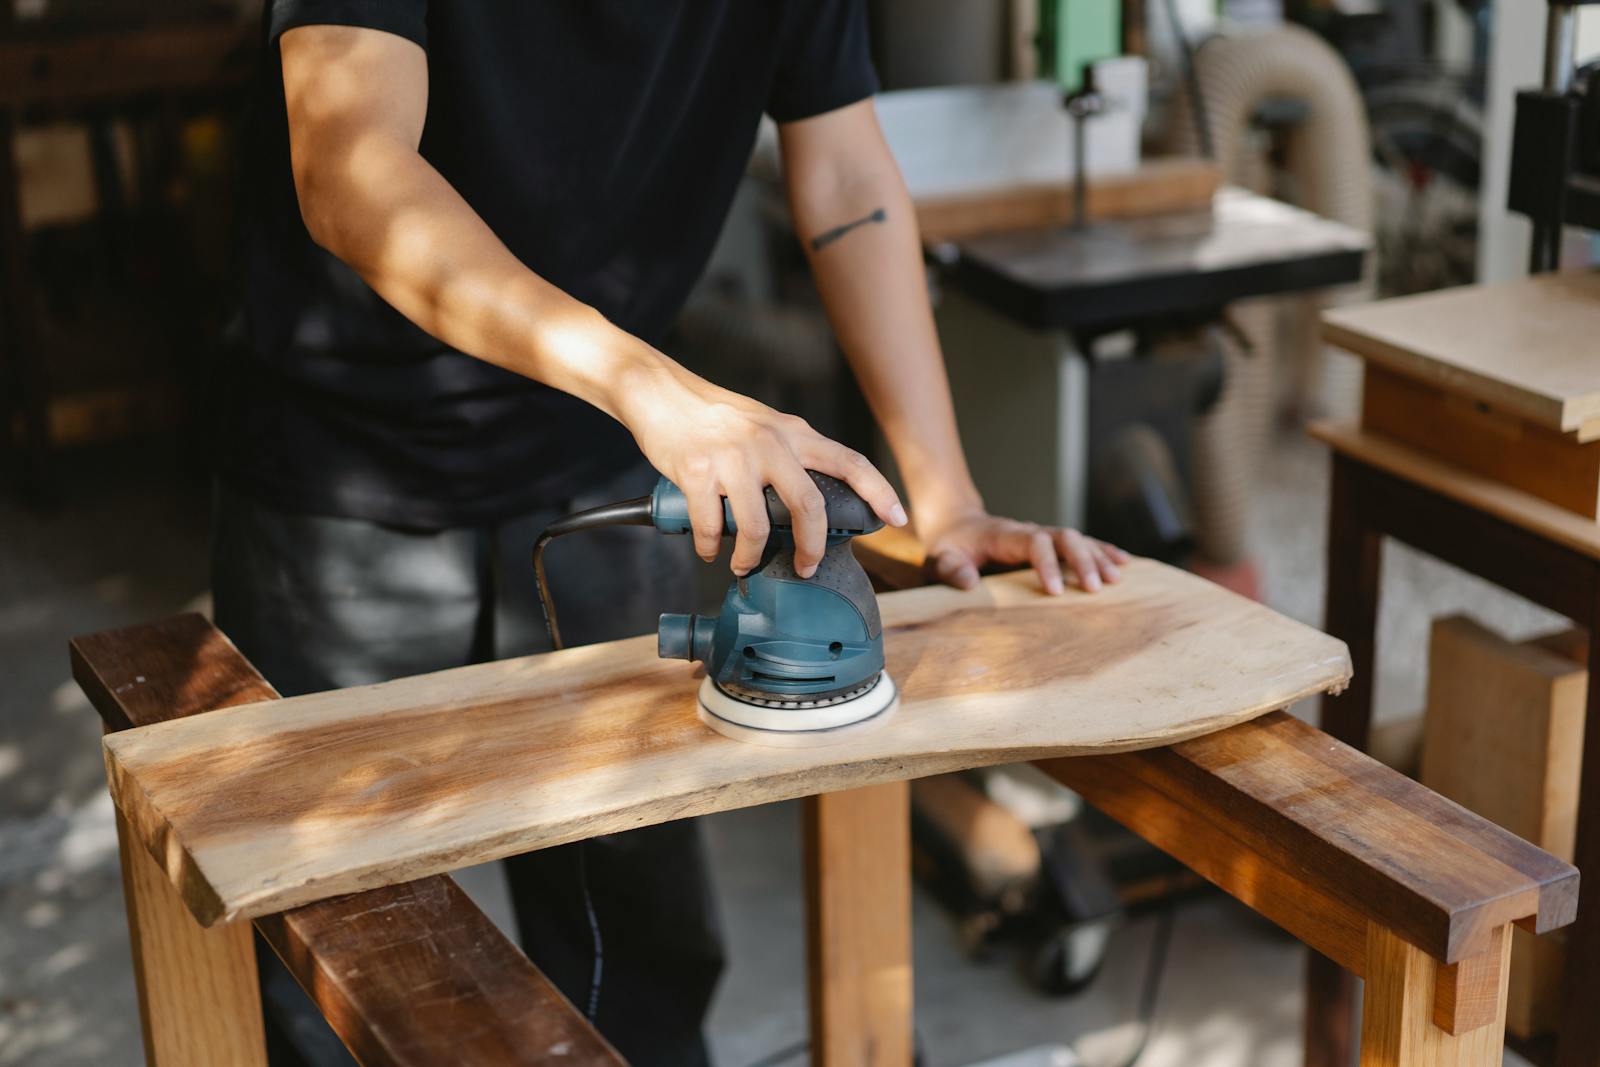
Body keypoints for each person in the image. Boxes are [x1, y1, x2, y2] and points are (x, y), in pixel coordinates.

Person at [215, 3, 1129, 1064]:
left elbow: (843, 179)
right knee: (326, 948)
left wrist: (946, 497)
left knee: (637, 943)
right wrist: (651, 387)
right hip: (342, 468)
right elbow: (350, 168)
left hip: (601, 449)